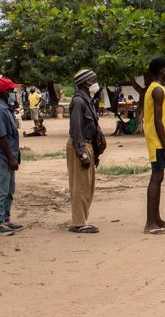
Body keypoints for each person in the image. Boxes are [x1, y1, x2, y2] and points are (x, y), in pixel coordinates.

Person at [67, 69, 106, 234]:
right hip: (80, 145)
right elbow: (76, 129)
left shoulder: (87, 100)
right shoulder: (78, 102)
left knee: (87, 186)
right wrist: (82, 152)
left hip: (88, 145)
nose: (95, 83)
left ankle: (82, 219)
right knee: (80, 186)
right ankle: (78, 223)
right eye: (93, 80)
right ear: (85, 83)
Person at [0, 78, 24, 236]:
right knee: (1, 189)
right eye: (10, 90)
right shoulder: (0, 110)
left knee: (9, 189)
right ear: (3, 93)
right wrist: (11, 158)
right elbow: (2, 136)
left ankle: (5, 219)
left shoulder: (3, 107)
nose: (13, 93)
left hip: (7, 154)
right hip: (3, 155)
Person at [143, 58, 165, 235]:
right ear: (162, 71)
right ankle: (150, 223)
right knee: (156, 177)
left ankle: (157, 218)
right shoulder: (157, 90)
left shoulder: (155, 88)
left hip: (157, 140)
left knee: (159, 177)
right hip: (157, 141)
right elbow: (157, 121)